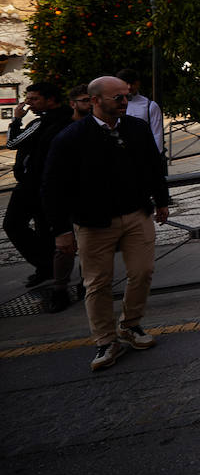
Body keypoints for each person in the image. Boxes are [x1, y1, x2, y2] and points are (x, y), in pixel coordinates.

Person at [42, 76, 170, 371]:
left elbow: (153, 166)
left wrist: (161, 201)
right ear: (96, 101)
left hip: (136, 214)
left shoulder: (136, 129)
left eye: (126, 96)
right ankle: (105, 340)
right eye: (118, 98)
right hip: (93, 223)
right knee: (97, 283)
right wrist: (61, 231)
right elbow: (52, 187)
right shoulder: (70, 137)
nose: (125, 102)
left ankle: (130, 324)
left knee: (143, 271)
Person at [5, 82, 73, 289]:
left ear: (50, 99)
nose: (29, 103)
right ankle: (47, 268)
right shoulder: (64, 118)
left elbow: (12, 143)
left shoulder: (41, 123)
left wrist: (16, 119)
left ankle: (46, 265)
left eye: (34, 99)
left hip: (33, 184)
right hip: (46, 183)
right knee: (44, 228)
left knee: (13, 224)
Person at [115, 68, 164, 155]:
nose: (129, 87)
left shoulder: (150, 106)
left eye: (132, 83)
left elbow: (157, 135)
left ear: (138, 83)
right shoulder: (111, 104)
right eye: (126, 83)